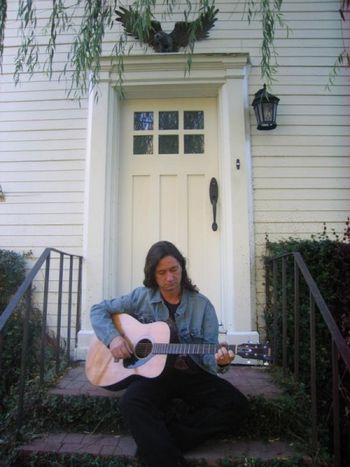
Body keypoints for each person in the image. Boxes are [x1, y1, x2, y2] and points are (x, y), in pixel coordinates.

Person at [90, 241, 248, 467]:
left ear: (182, 268)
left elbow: (208, 356)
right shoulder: (141, 297)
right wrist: (113, 338)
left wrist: (219, 362)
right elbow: (98, 310)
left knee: (236, 405)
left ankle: (159, 441)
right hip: (153, 375)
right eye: (161, 272)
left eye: (174, 270)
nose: (170, 278)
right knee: (131, 402)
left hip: (191, 374)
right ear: (153, 275)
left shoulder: (202, 306)